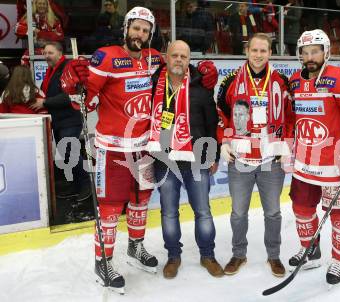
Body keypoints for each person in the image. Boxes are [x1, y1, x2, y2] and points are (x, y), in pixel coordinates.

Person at [60, 7, 219, 294]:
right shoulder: (106, 56)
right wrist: (73, 83)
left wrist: (204, 76)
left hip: (146, 148)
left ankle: (135, 247)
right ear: (126, 28)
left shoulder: (154, 59)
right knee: (109, 209)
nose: (140, 35)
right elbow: (85, 101)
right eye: (136, 28)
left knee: (141, 200)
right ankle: (103, 261)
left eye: (145, 31)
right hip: (113, 149)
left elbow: (180, 70)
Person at [288, 29, 340, 285]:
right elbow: (294, 119)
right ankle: (311, 250)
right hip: (304, 162)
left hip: (333, 165)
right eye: (305, 52)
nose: (310, 57)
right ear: (300, 55)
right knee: (301, 208)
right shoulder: (294, 81)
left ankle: (339, 259)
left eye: (315, 51)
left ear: (326, 52)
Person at [217, 33, 294, 277]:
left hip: (271, 160)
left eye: (263, 51)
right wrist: (223, 143)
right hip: (240, 160)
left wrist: (287, 145)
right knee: (238, 212)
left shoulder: (281, 81)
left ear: (270, 52)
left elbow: (292, 116)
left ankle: (274, 256)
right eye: (254, 50)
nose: (258, 55)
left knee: (273, 212)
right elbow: (220, 113)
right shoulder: (231, 80)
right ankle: (238, 254)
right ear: (247, 51)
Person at [148, 40, 223, 279]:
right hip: (165, 160)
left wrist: (214, 155)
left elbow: (212, 124)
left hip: (197, 159)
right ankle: (173, 256)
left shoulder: (201, 89)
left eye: (184, 56)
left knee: (203, 211)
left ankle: (208, 255)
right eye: (175, 55)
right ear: (166, 58)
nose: (179, 60)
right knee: (169, 212)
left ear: (189, 60)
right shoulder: (153, 86)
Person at [30, 41, 91, 213]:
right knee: (65, 154)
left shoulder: (68, 67)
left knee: (69, 152)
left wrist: (45, 102)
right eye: (44, 53)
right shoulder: (52, 71)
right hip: (59, 120)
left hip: (70, 119)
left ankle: (86, 184)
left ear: (59, 53)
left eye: (50, 52)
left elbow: (71, 95)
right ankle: (75, 186)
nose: (46, 56)